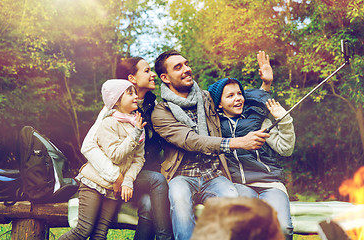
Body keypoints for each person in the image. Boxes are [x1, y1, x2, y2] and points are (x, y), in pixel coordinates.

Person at [151, 50, 271, 240]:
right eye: (178, 67)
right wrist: (238, 142)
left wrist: (265, 84)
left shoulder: (206, 98)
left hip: (215, 174)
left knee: (231, 199)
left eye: (186, 64)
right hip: (181, 176)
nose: (187, 69)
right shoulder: (161, 112)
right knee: (179, 200)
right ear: (165, 77)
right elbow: (192, 140)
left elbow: (237, 99)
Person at [78, 57, 173, 240]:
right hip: (119, 175)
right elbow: (88, 146)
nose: (153, 74)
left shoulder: (153, 106)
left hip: (139, 172)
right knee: (155, 182)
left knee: (148, 204)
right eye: (146, 70)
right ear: (132, 78)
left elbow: (147, 151)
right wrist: (116, 176)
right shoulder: (110, 112)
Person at [208, 77, 295, 240]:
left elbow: (286, 149)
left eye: (239, 93)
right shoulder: (215, 127)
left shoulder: (260, 121)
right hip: (239, 185)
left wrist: (284, 120)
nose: (237, 98)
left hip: (270, 183)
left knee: (282, 228)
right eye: (230, 95)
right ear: (219, 104)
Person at [59, 79, 146, 239]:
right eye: (130, 93)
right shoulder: (108, 122)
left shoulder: (137, 125)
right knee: (83, 230)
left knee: (100, 234)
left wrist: (128, 180)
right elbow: (116, 155)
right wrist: (135, 134)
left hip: (114, 188)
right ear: (117, 101)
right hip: (95, 183)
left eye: (135, 92)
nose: (136, 96)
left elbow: (139, 159)